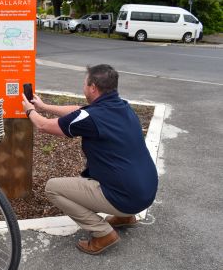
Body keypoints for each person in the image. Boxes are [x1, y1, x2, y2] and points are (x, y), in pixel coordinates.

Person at [22, 64, 158, 255]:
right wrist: (43, 106)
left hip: (126, 196)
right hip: (146, 191)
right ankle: (125, 217)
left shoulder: (92, 117)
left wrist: (29, 110)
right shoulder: (122, 107)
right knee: (117, 172)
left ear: (93, 87)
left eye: (85, 84)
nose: (83, 87)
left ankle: (103, 233)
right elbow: (78, 110)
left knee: (52, 188)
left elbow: (43, 126)